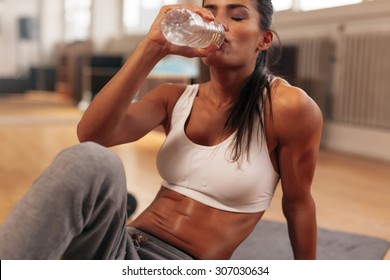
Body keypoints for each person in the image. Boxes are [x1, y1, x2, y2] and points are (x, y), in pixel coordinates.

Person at [0, 0, 322, 260]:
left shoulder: (287, 107)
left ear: (264, 39)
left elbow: (298, 203)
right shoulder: (174, 98)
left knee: (102, 182)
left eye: (236, 16)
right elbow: (93, 136)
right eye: (210, 12)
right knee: (92, 162)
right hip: (123, 248)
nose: (219, 23)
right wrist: (152, 46)